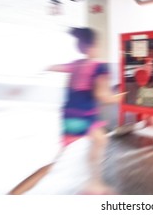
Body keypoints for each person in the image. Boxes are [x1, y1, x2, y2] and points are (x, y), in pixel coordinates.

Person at [9, 27, 124, 195]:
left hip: (71, 117)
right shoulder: (100, 67)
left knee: (100, 140)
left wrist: (24, 84)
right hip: (84, 118)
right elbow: (103, 96)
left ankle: (95, 183)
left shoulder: (75, 64)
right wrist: (122, 97)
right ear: (94, 45)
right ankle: (13, 195)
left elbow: (51, 67)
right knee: (59, 162)